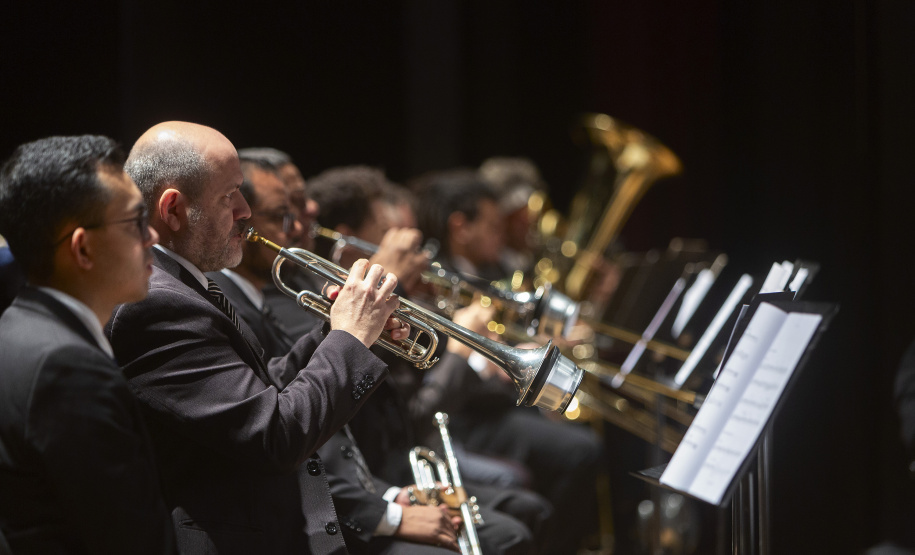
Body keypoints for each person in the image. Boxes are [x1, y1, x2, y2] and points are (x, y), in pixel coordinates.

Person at [106, 121, 407, 554]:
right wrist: (349, 339)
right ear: (172, 210)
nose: (246, 210)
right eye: (229, 196)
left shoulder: (183, 286)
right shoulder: (156, 305)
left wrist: (338, 330)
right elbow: (276, 435)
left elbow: (259, 391)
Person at [220, 156, 534, 554]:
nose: (303, 222)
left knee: (520, 510)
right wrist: (389, 283)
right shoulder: (270, 296)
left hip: (377, 473)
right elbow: (311, 420)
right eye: (285, 212)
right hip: (343, 491)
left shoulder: (292, 284)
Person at [0, 135, 175, 553]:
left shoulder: (16, 325)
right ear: (82, 247)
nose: (151, 235)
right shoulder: (69, 367)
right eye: (135, 222)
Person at [416, 168, 605, 555]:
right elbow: (441, 382)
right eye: (490, 224)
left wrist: (535, 346)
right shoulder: (434, 284)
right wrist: (488, 357)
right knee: (579, 450)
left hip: (497, 404)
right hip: (470, 417)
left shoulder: (488, 274)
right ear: (460, 227)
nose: (499, 234)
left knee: (581, 437)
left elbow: (505, 340)